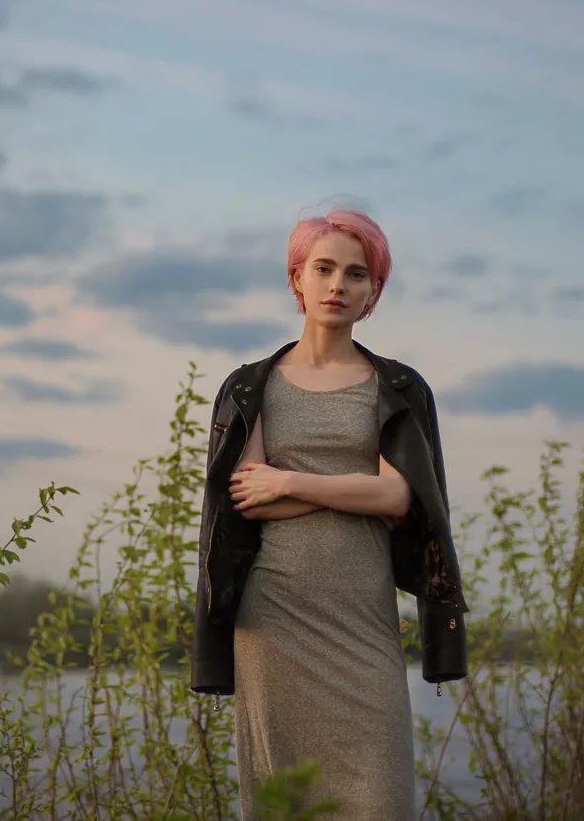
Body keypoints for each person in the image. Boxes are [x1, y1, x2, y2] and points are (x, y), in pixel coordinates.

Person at [190, 208, 469, 820]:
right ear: (297, 278)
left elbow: (399, 498)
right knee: (286, 805)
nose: (338, 285)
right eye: (323, 269)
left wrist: (290, 481)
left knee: (380, 801)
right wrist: (357, 488)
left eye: (356, 274)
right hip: (275, 619)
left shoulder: (397, 387)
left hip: (364, 619)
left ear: (373, 291)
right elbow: (249, 498)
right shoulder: (251, 386)